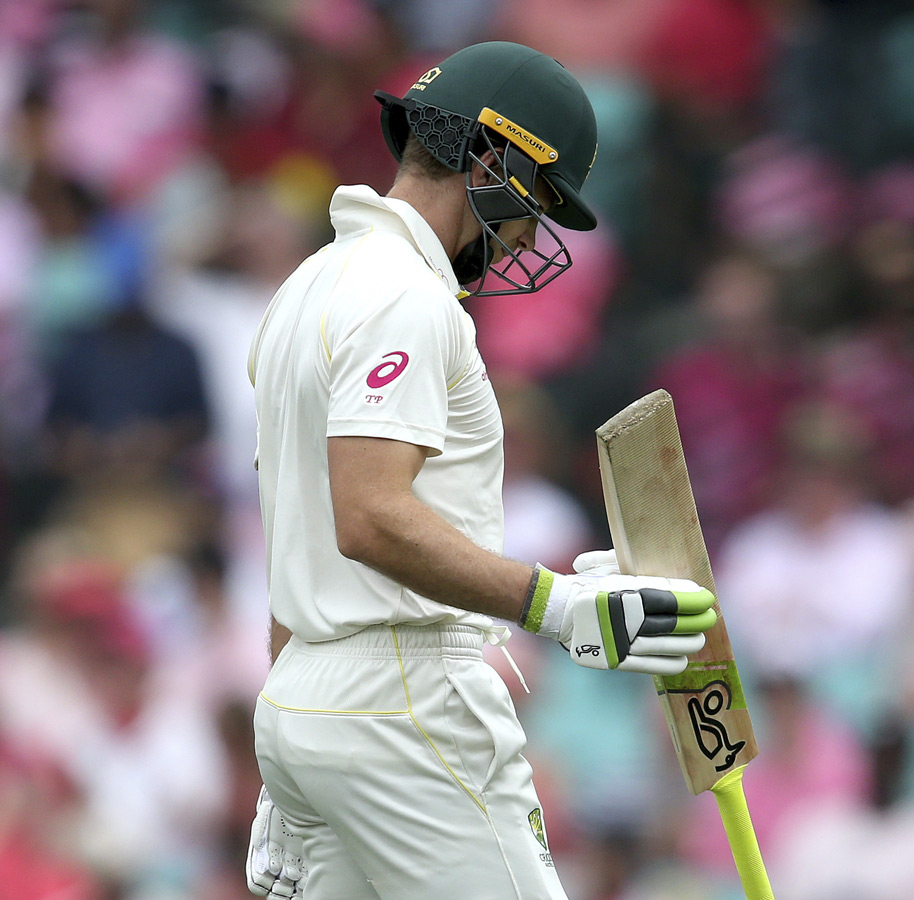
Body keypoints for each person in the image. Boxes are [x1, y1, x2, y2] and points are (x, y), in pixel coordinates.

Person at [242, 41, 717, 900]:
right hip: (403, 704)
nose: (531, 232)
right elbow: (367, 517)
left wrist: (290, 729)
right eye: (540, 199)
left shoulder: (305, 288)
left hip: (305, 703)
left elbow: (296, 537)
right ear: (491, 158)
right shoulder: (405, 295)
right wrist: (559, 603)